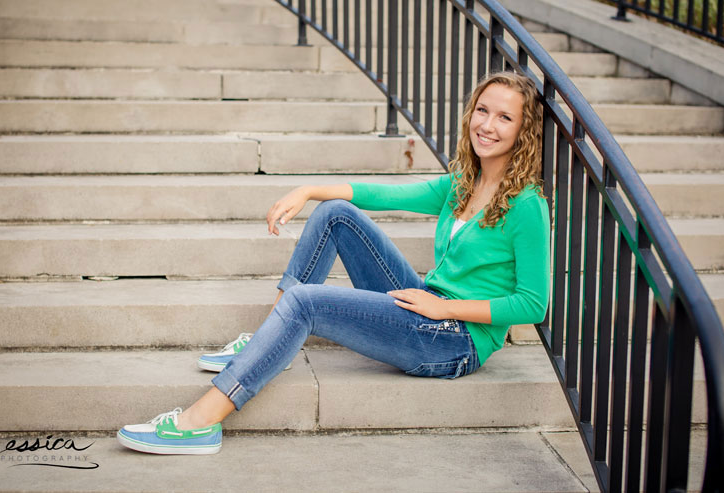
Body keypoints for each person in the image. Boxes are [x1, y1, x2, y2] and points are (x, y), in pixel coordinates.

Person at [116, 71, 551, 455]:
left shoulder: (526, 206)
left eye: (504, 118)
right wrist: (310, 190)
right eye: (482, 110)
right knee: (335, 212)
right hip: (426, 306)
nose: (487, 125)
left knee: (307, 303)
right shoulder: (463, 184)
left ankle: (199, 423)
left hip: (455, 340)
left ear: (523, 130)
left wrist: (445, 309)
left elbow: (532, 305)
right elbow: (384, 195)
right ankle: (268, 340)